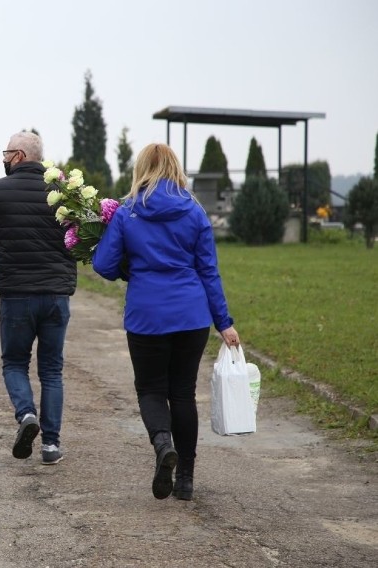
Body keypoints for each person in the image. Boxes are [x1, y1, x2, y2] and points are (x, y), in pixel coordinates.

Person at [92, 143, 239, 501]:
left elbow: (103, 266)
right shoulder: (195, 212)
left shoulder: (128, 212)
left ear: (141, 169)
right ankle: (186, 479)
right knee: (183, 393)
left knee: (150, 390)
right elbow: (208, 271)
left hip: (146, 316)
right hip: (191, 316)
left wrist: (132, 266)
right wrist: (224, 323)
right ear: (176, 168)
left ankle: (162, 445)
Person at [0, 131, 77, 465]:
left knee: (15, 362)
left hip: (16, 294)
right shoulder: (64, 195)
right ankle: (51, 445)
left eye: (6, 153)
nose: (3, 159)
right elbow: (77, 239)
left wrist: (8, 249)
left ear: (18, 155)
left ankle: (25, 415)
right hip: (56, 295)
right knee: (51, 370)